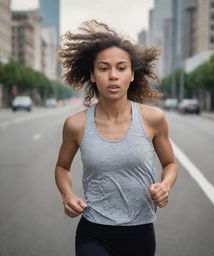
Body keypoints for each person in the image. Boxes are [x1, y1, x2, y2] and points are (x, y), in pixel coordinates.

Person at [55, 20, 178, 256]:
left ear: (132, 75)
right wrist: (67, 195)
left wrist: (165, 185)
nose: (113, 76)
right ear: (92, 75)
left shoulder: (153, 119)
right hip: (94, 230)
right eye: (103, 68)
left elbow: (170, 164)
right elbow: (62, 167)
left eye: (121, 68)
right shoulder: (75, 124)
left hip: (140, 231)